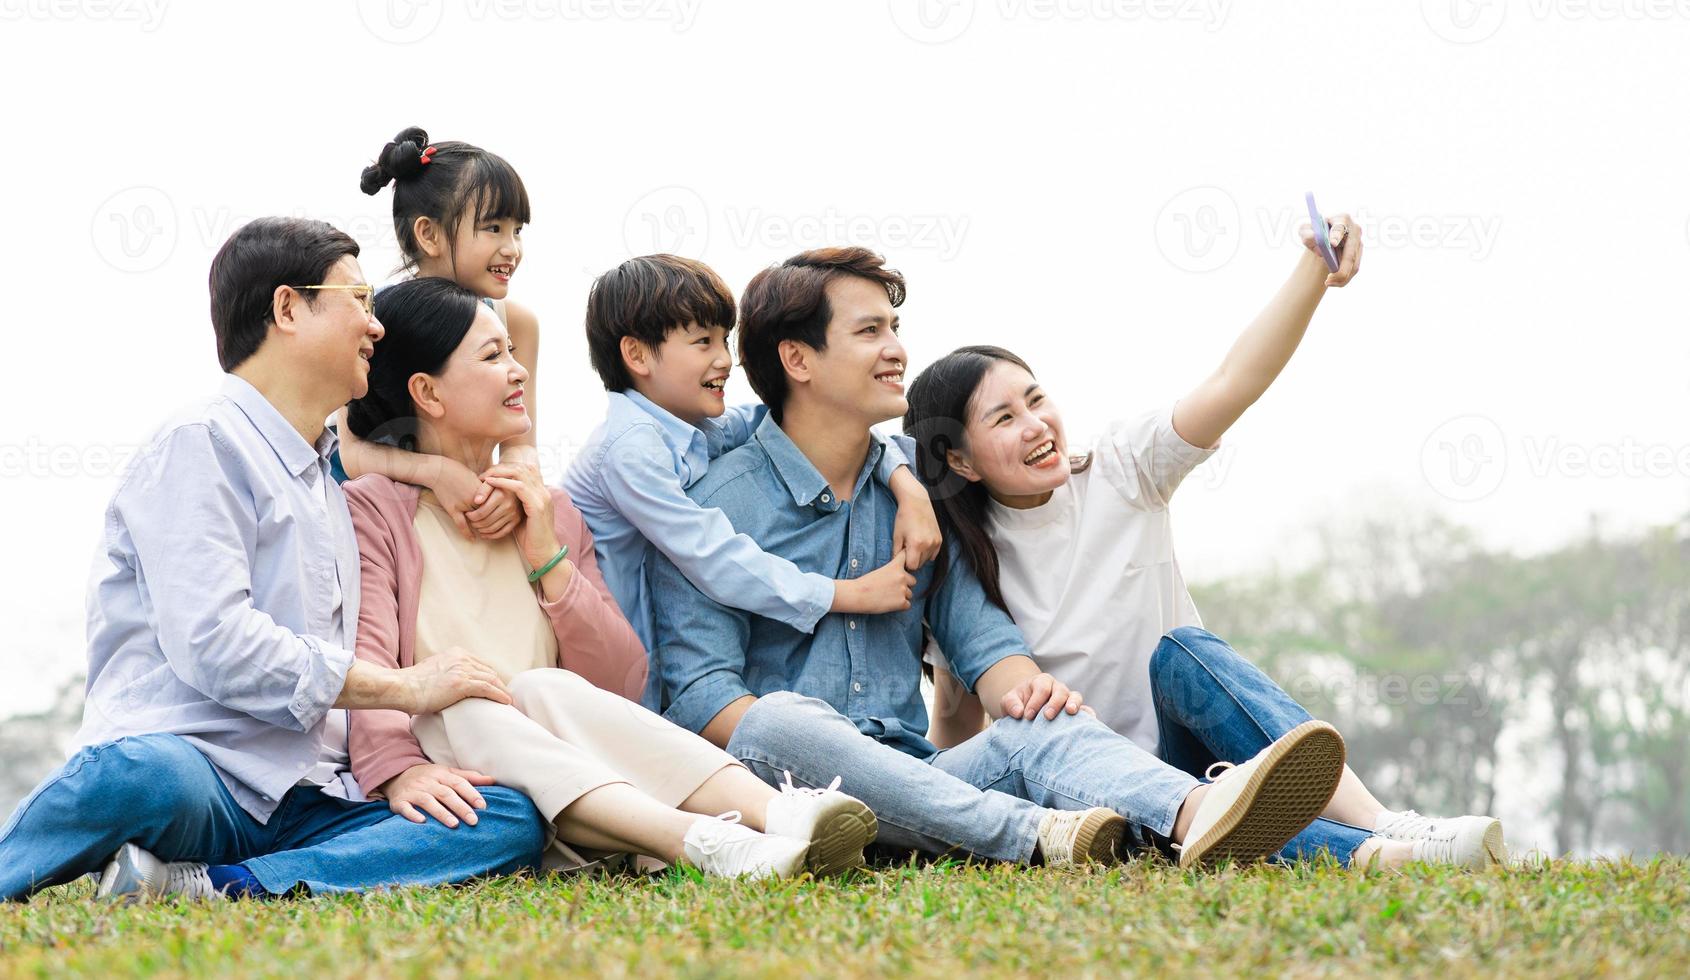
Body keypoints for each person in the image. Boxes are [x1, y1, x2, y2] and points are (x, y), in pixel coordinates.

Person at [647, 246, 1350, 870]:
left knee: (1042, 723)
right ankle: (1033, 833)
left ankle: (1198, 814)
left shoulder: (917, 498)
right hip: (795, 798)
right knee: (778, 720)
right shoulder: (712, 507)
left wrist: (1031, 694)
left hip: (927, 778)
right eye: (869, 331)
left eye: (894, 328)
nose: (895, 349)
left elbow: (987, 648)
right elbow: (705, 699)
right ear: (797, 359)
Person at [904, 215, 1506, 870]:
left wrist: (1313, 270)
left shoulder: (1123, 471)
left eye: (1035, 399)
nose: (1035, 425)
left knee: (1185, 651)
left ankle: (1387, 826)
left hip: (1198, 752)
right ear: (960, 462)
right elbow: (957, 721)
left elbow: (1233, 381)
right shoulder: (966, 566)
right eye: (1004, 418)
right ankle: (1386, 858)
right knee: (1219, 820)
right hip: (1108, 790)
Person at [0, 218, 546, 902]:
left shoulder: (326, 477)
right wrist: (404, 688)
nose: (376, 328)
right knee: (135, 774)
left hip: (310, 796)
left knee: (505, 817)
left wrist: (398, 770)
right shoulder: (200, 445)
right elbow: (215, 643)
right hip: (201, 777)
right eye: (359, 301)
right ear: (289, 308)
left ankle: (221, 886)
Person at [343, 277, 877, 879]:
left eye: (513, 352)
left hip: (587, 780)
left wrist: (546, 554)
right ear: (427, 393)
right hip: (469, 780)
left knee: (544, 688)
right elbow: (365, 665)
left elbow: (621, 679)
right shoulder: (373, 512)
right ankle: (701, 842)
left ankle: (780, 814)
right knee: (468, 702)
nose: (519, 372)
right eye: (493, 356)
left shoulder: (553, 511)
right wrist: (397, 768)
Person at [562, 254, 941, 674]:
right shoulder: (629, 449)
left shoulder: (697, 428)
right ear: (637, 354)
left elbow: (812, 425)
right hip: (598, 652)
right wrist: (844, 595)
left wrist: (907, 484)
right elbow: (713, 556)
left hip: (638, 648)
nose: (725, 360)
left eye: (724, 340)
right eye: (702, 342)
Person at [337, 126, 541, 544]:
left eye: (517, 230)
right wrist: (437, 472)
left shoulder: (514, 322)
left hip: (470, 515)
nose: (512, 249)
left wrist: (512, 485)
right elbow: (352, 451)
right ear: (428, 234)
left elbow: (522, 440)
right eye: (493, 228)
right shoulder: (372, 321)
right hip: (373, 525)